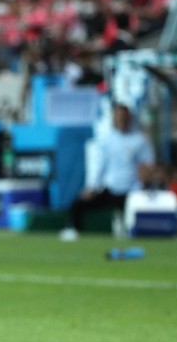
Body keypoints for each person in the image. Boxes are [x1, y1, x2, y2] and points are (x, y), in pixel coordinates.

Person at [60, 102, 155, 240]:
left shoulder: (140, 140)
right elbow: (100, 166)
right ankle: (74, 230)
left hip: (132, 190)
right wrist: (92, 187)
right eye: (118, 117)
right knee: (78, 203)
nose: (121, 120)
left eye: (124, 117)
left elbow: (147, 166)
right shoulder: (107, 140)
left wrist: (143, 185)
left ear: (129, 119)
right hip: (111, 188)